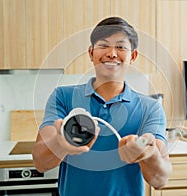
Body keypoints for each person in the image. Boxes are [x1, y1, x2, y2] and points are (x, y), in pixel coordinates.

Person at [32, 16, 172, 196]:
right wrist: (61, 144)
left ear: (133, 56)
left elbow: (161, 180)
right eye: (104, 45)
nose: (112, 53)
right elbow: (40, 163)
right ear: (91, 53)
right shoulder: (63, 97)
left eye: (121, 47)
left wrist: (149, 154)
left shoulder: (150, 108)